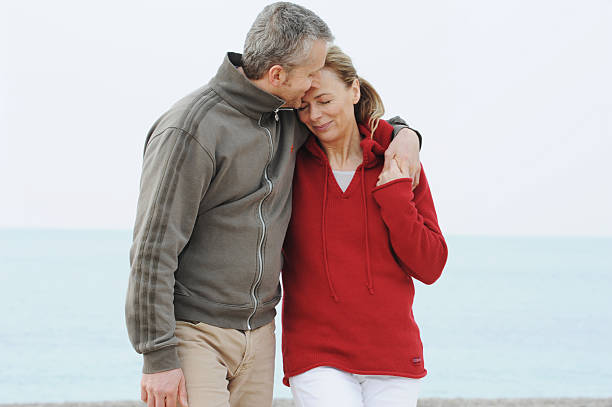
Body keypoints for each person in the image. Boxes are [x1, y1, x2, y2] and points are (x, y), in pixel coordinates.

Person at [125, 3, 423, 407]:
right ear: (279, 75)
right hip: (195, 331)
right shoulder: (191, 129)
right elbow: (152, 249)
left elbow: (354, 122)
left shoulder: (289, 121)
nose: (314, 84)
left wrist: (405, 134)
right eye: (310, 73)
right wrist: (157, 357)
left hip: (260, 334)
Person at [281, 45, 448, 407]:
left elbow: (430, 265)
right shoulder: (290, 166)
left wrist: (394, 192)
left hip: (393, 356)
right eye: (304, 106)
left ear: (354, 91)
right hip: (316, 355)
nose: (315, 115)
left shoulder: (397, 158)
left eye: (325, 100)